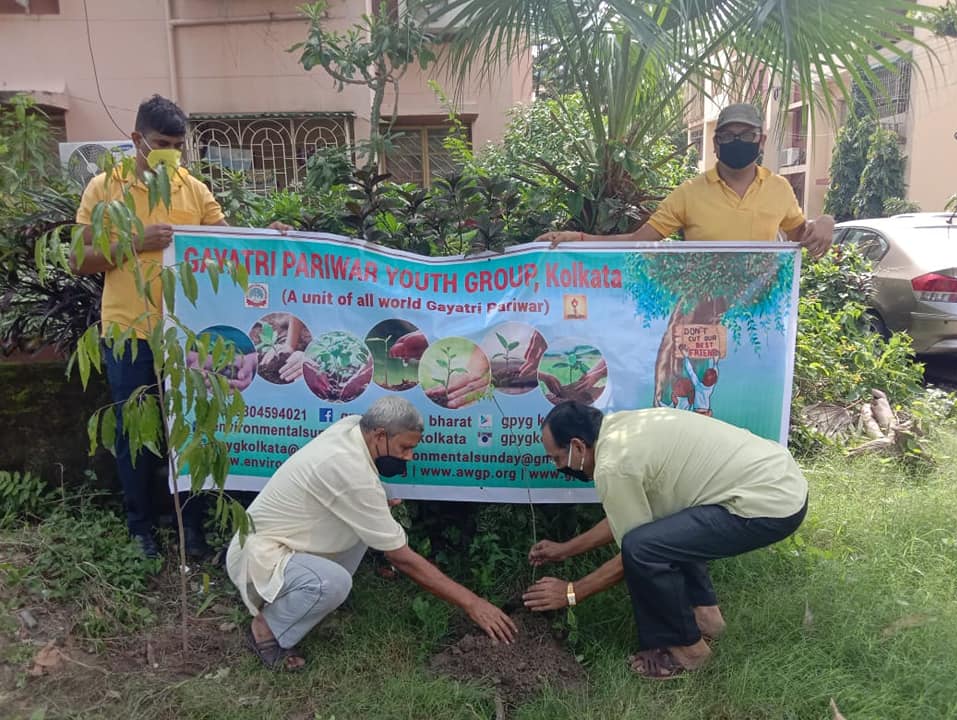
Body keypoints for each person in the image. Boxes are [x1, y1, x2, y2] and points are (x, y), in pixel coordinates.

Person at [71, 94, 291, 559]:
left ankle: (190, 524)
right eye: (162, 144)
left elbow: (228, 247)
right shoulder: (104, 188)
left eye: (177, 145)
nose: (171, 153)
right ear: (137, 139)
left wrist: (270, 239)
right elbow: (79, 259)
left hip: (187, 337)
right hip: (128, 332)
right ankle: (140, 528)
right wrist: (136, 242)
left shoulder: (193, 190)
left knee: (191, 428)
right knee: (135, 433)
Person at [226, 396, 517, 671]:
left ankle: (305, 601)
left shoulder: (353, 428)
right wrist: (473, 603)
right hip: (258, 557)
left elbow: (362, 492)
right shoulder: (349, 469)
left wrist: (376, 501)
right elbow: (401, 558)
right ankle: (266, 629)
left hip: (284, 542)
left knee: (372, 521)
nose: (409, 457)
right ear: (379, 435)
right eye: (404, 448)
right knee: (333, 583)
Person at [522, 402, 807, 679]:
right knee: (664, 532)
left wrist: (571, 592)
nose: (558, 466)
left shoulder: (613, 465)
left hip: (767, 505)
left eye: (557, 458)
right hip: (781, 479)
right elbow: (626, 515)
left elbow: (634, 554)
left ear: (578, 446)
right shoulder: (622, 428)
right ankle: (706, 618)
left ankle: (690, 652)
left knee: (644, 549)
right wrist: (565, 550)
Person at [537, 103, 834, 259]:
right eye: (728, 136)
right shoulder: (689, 194)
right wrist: (577, 238)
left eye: (747, 135)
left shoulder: (779, 189)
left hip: (760, 315)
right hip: (703, 314)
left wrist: (825, 222)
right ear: (715, 144)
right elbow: (637, 241)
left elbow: (803, 237)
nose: (737, 141)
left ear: (761, 141)